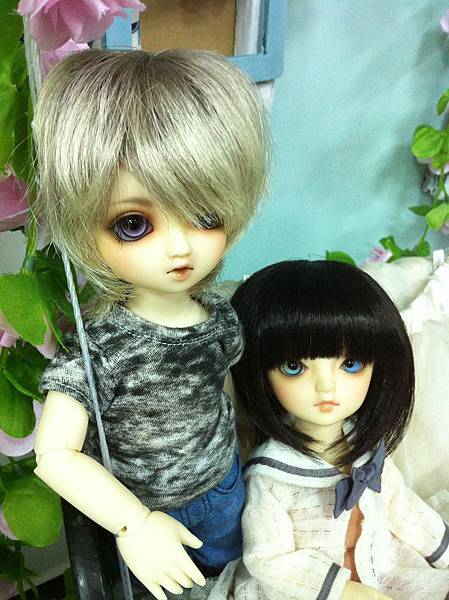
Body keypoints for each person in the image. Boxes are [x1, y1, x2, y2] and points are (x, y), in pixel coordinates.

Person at [31, 48, 269, 600]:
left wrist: (244, 440)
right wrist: (134, 524)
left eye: (205, 216)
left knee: (236, 581)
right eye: (134, 224)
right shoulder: (102, 347)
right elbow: (55, 453)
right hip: (146, 511)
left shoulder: (220, 316)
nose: (180, 247)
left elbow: (220, 386)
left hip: (224, 484)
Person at [210, 259, 449, 600]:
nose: (326, 387)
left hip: (381, 566)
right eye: (294, 367)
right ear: (261, 374)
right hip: (306, 589)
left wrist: (442, 553)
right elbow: (268, 559)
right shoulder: (271, 475)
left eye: (350, 364)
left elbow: (402, 507)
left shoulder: (365, 448)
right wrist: (344, 590)